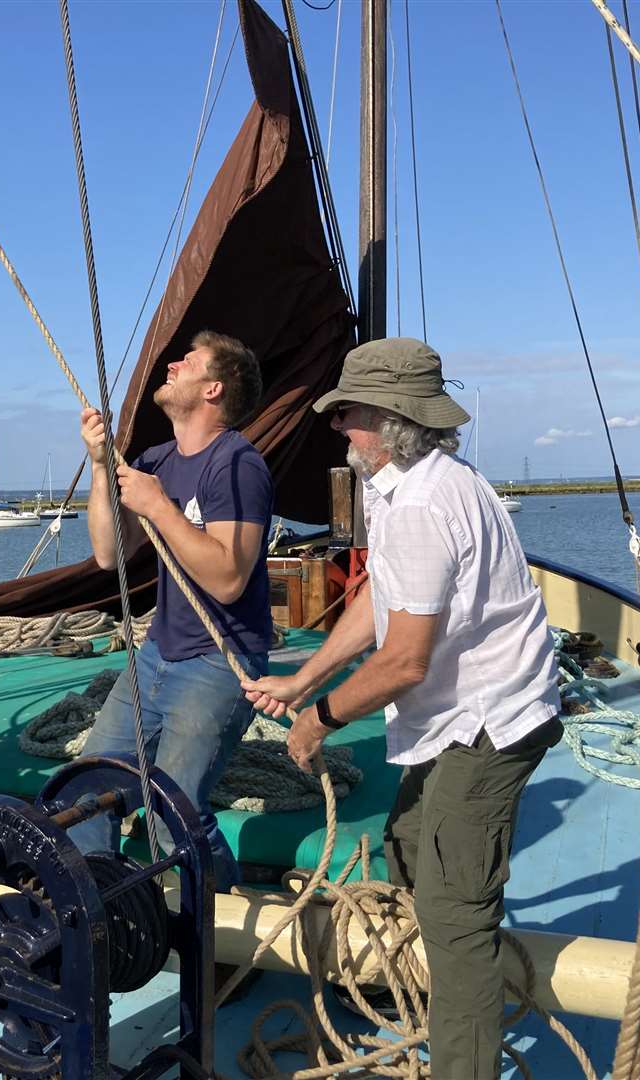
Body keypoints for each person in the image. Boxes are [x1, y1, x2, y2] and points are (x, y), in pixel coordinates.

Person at [241, 337, 562, 1079]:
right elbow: (381, 608)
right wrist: (303, 679)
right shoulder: (403, 487)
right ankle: (414, 992)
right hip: (461, 717)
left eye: (347, 413)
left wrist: (318, 720)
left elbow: (404, 660)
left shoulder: (421, 503)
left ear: (389, 421)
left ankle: (459, 1056)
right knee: (408, 842)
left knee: (457, 923)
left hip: (489, 724)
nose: (337, 427)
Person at [70, 330, 274, 890]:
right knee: (85, 792)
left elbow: (229, 579)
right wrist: (97, 466)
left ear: (213, 388)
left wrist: (159, 505)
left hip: (220, 659)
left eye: (189, 361)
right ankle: (101, 908)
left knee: (172, 812)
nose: (173, 364)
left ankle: (217, 935)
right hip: (157, 654)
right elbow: (109, 553)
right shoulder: (155, 460)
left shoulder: (237, 465)